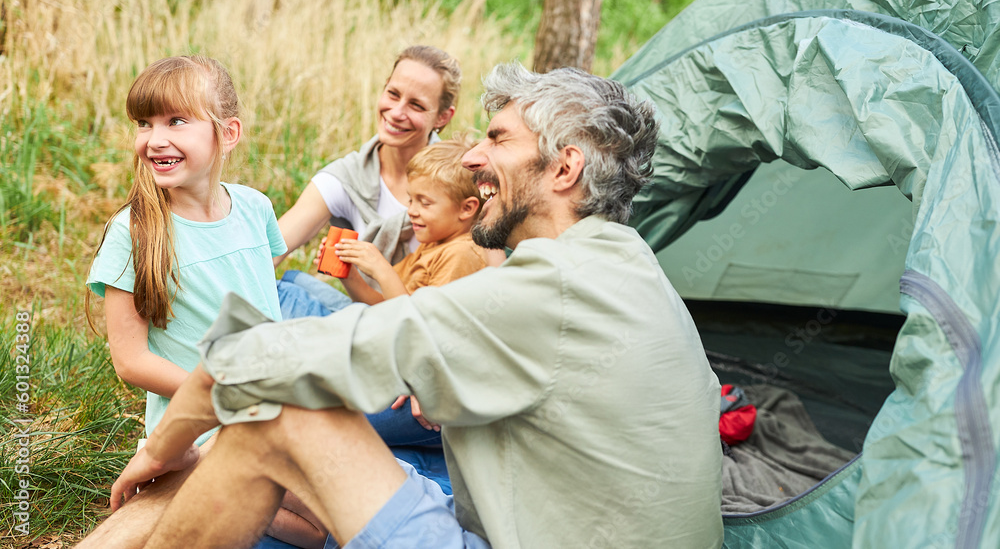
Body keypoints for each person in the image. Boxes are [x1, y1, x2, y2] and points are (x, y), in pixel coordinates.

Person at [82, 63, 724, 549]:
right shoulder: (628, 262)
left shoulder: (546, 288)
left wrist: (159, 449)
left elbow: (259, 363)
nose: (472, 156)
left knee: (279, 414)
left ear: (564, 170)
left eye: (498, 139)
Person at [84, 56, 325, 549]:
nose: (155, 139)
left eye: (176, 121)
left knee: (325, 526)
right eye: (144, 123)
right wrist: (222, 395)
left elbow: (262, 307)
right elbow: (130, 361)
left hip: (267, 406)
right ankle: (194, 471)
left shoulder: (254, 207)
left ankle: (209, 484)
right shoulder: (132, 232)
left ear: (226, 133)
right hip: (198, 421)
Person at [273, 45, 462, 319]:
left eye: (416, 105)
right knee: (287, 286)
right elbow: (271, 250)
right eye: (393, 94)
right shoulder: (347, 178)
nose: (396, 112)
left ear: (443, 117)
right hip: (372, 314)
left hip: (421, 329)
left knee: (289, 297)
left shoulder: (457, 185)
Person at [336, 134, 488, 306]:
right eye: (410, 200)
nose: (411, 211)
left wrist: (382, 269)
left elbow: (421, 324)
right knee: (298, 280)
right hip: (377, 321)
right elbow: (382, 306)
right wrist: (348, 275)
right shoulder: (433, 243)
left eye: (425, 203)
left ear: (466, 208)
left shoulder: (461, 254)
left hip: (388, 330)